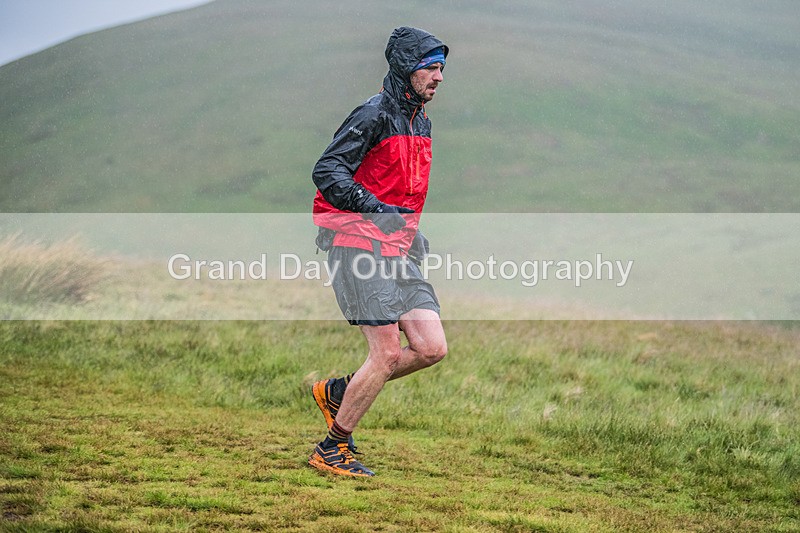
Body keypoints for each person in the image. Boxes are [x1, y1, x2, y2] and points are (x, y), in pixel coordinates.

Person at [308, 27, 449, 477]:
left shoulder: (420, 120)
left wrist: (412, 229)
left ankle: (339, 392)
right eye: (431, 66)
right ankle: (332, 448)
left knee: (430, 347)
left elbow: (399, 187)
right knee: (386, 353)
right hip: (356, 243)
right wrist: (374, 210)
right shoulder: (372, 115)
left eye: (443, 67)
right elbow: (327, 170)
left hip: (398, 247)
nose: (439, 76)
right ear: (406, 68)